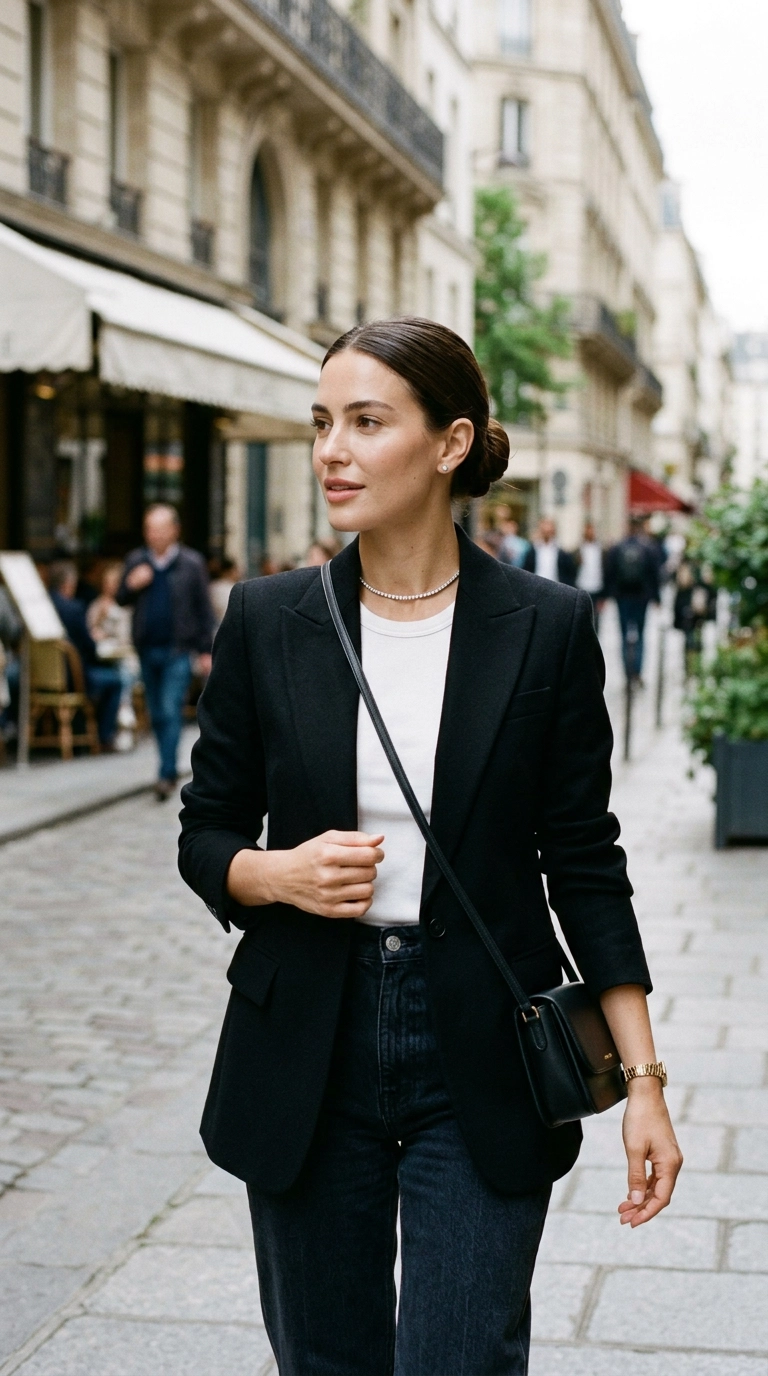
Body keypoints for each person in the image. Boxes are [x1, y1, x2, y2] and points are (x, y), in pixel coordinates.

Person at [179, 317, 681, 1376]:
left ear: (451, 442)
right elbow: (206, 828)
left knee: (462, 1356)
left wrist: (643, 1080)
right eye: (323, 423)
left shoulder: (545, 623)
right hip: (309, 1035)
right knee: (327, 1360)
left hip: (483, 1044)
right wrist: (275, 871)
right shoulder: (269, 618)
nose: (331, 450)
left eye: (367, 422)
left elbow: (584, 858)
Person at [117, 505, 214, 799]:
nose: (153, 535)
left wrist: (206, 650)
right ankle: (165, 765)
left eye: (159, 528)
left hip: (179, 649)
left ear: (174, 530)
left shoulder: (191, 563)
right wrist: (131, 584)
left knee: (171, 709)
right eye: (148, 528)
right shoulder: (137, 560)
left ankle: (166, 773)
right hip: (147, 648)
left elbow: (204, 609)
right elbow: (121, 598)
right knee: (156, 712)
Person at [49, 561, 123, 749]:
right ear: (69, 583)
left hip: (44, 678)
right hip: (73, 676)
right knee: (116, 681)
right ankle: (104, 736)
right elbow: (89, 647)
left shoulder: (43, 606)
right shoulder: (73, 608)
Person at [87, 562, 140, 747]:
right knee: (115, 673)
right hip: (103, 658)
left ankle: (123, 711)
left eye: (114, 582)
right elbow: (89, 631)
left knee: (124, 670)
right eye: (107, 582)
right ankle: (123, 715)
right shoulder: (97, 605)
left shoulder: (126, 606)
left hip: (125, 656)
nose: (110, 586)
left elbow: (127, 637)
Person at [604, 516, 662, 683]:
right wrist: (656, 598)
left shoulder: (616, 548)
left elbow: (609, 573)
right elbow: (654, 574)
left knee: (623, 636)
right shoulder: (648, 548)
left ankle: (627, 673)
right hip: (642, 597)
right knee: (641, 635)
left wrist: (608, 595)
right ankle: (637, 671)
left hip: (622, 597)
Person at [523, 517, 577, 585]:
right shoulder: (532, 550)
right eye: (544, 530)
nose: (546, 532)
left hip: (556, 587)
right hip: (536, 586)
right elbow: (526, 570)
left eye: (549, 530)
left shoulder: (561, 552)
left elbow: (569, 572)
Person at [576, 520, 605, 629]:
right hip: (581, 587)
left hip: (597, 588)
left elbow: (604, 571)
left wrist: (604, 595)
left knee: (596, 620)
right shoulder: (578, 549)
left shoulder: (601, 549)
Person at [208, 558, 241, 627]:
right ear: (228, 571)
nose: (238, 573)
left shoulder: (212, 587)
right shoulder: (229, 589)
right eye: (235, 570)